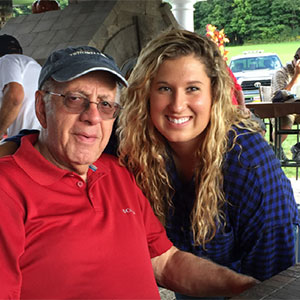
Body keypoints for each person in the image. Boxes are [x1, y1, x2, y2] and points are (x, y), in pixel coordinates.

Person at [0, 45, 257, 299]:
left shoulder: (117, 173)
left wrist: (245, 286)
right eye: (75, 99)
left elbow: (166, 261)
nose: (93, 116)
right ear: (41, 108)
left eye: (106, 104)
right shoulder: (7, 188)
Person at [116, 29, 298, 299]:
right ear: (146, 95)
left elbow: (270, 284)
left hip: (263, 275)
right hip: (189, 280)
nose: (178, 105)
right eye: (164, 88)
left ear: (214, 93)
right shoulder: (133, 147)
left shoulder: (248, 163)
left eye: (192, 89)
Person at [0, 34, 41, 140]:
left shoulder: (7, 60)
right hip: (40, 137)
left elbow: (14, 97)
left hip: (22, 139)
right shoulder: (35, 66)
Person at [271, 47, 300, 160]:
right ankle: (276, 151)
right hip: (282, 110)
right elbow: (279, 96)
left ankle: (298, 149)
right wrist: (296, 76)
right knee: (285, 123)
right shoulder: (282, 73)